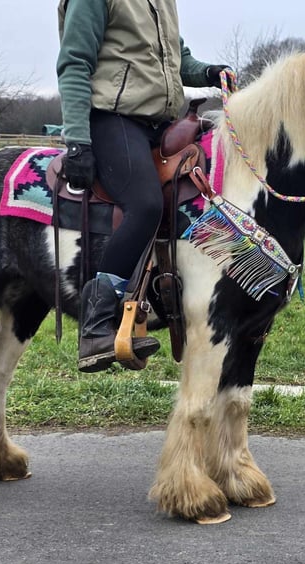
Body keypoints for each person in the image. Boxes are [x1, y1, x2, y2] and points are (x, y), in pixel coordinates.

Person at [56, 0, 226, 373]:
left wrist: (211, 71)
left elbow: (179, 60)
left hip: (159, 121)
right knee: (146, 204)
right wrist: (78, 142)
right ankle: (97, 323)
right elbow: (74, 64)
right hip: (112, 118)